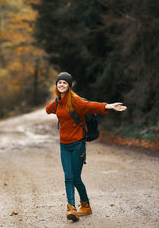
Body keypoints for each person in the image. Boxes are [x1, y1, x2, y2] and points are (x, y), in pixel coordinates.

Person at [46, 72, 127, 221]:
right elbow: (48, 109)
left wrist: (109, 106)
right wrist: (56, 103)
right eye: (59, 82)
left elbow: (92, 106)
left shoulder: (76, 102)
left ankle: (86, 205)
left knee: (76, 178)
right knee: (68, 177)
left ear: (69, 85)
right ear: (56, 85)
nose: (62, 84)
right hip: (64, 146)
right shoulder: (58, 102)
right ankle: (71, 208)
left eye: (65, 82)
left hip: (77, 145)